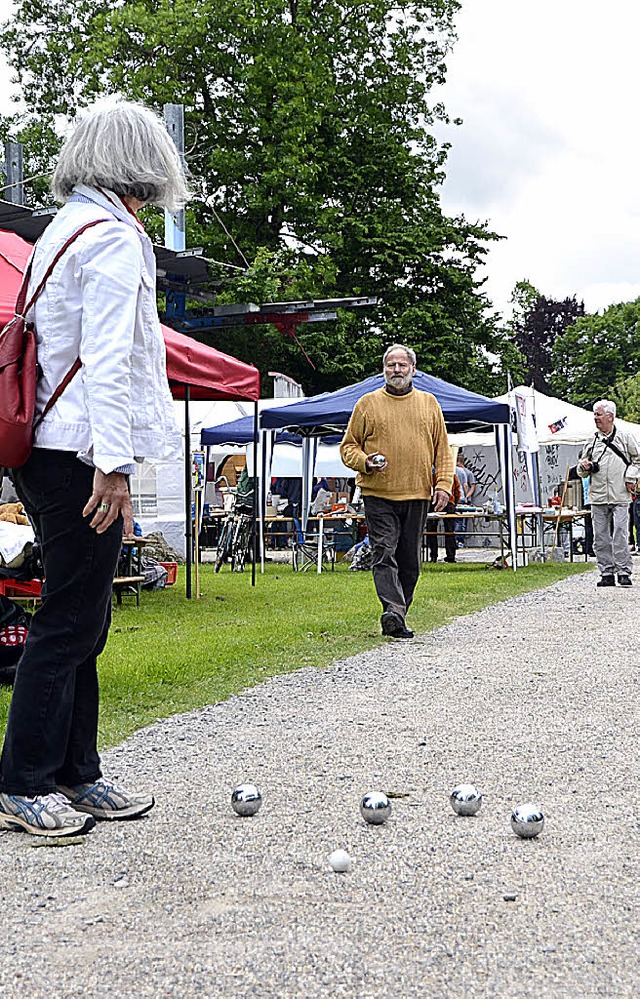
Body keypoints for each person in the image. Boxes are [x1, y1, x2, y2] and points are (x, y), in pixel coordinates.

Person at [0, 100, 189, 838]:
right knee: (71, 619)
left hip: (53, 449)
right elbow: (109, 357)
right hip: (79, 451)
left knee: (84, 617)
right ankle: (25, 780)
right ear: (142, 163)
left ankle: (78, 771)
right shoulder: (111, 236)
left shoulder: (64, 230)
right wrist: (114, 465)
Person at [340, 344, 453, 638]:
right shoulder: (367, 404)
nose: (397, 370)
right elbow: (348, 447)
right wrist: (365, 461)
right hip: (378, 494)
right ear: (384, 370)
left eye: (402, 365)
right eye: (391, 365)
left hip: (417, 493)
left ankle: (398, 614)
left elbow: (442, 450)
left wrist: (443, 484)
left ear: (413, 370)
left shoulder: (429, 404)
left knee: (410, 561)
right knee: (384, 552)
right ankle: (392, 609)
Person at [577, 399, 640, 588]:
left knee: (621, 533)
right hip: (598, 495)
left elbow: (637, 460)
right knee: (600, 536)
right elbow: (582, 469)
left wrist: (630, 477)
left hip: (620, 494)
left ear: (610, 417)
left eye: (598, 414)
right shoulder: (592, 440)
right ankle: (606, 572)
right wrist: (584, 466)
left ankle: (623, 572)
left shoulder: (626, 437)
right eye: (595, 414)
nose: (595, 418)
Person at [427, 472, 461, 563]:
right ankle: (451, 556)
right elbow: (457, 491)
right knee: (449, 531)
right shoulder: (452, 476)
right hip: (450, 502)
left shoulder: (433, 476)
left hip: (434, 502)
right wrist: (454, 503)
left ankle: (433, 556)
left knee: (432, 530)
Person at [454, 452, 475, 547]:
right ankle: (460, 541)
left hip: (455, 498)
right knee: (462, 521)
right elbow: (468, 486)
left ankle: (457, 540)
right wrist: (467, 497)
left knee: (456, 520)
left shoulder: (454, 471)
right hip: (463, 499)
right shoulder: (466, 472)